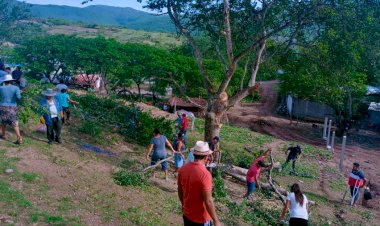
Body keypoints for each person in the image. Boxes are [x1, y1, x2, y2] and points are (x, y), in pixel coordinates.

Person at [178, 141, 221, 226]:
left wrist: (184, 205)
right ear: (206, 157)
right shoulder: (205, 174)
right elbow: (208, 200)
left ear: (194, 154)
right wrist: (216, 220)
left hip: (187, 214)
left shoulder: (183, 168)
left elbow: (180, 190)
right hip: (201, 219)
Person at [0, 74, 22, 144]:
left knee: (3, 122)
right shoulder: (16, 88)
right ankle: (19, 138)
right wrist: (19, 94)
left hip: (3, 106)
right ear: (11, 81)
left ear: (5, 81)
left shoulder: (1, 88)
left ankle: (3, 135)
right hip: (13, 107)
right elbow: (19, 98)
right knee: (14, 123)